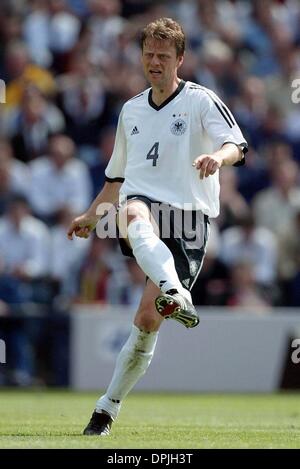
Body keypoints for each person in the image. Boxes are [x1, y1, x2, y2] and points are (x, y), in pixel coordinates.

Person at [67, 17, 247, 436]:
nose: (154, 62)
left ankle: (106, 406)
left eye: (163, 56)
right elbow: (116, 179)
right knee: (130, 213)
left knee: (147, 320)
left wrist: (216, 159)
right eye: (148, 54)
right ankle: (176, 293)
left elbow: (237, 144)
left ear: (179, 60)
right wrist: (92, 217)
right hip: (143, 211)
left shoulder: (201, 100)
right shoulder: (130, 109)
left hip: (189, 218)